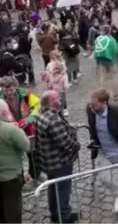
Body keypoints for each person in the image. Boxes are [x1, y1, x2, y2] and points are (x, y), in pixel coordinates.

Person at [35, 90, 80, 224]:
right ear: (50, 102)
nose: (59, 99)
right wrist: (76, 145)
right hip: (60, 161)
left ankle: (54, 214)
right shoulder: (53, 119)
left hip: (49, 161)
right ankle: (64, 216)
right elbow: (64, 142)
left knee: (53, 187)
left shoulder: (41, 114)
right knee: (63, 189)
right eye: (56, 98)